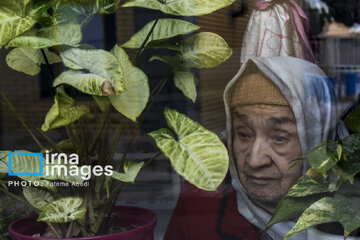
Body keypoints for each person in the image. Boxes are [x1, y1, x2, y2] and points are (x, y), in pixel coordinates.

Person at [164, 56, 351, 240]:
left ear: (317, 140)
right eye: (243, 135)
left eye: (279, 138)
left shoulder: (351, 209)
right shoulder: (201, 209)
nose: (255, 160)